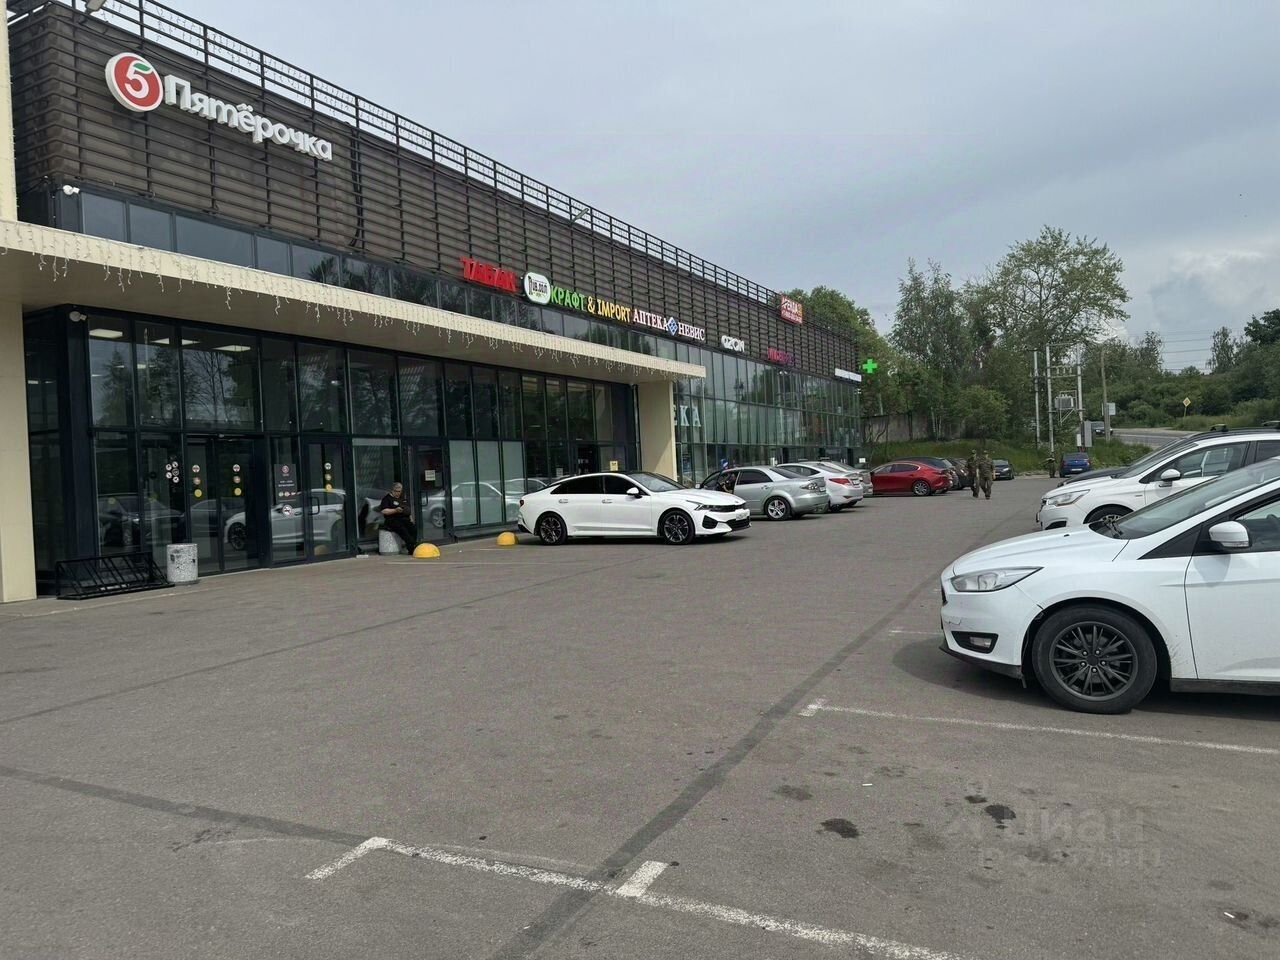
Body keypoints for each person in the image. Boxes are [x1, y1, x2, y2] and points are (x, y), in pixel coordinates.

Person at [379, 482, 418, 550]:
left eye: (400, 491)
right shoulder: (387, 499)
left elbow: (407, 509)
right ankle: (412, 546)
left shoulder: (402, 498)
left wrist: (410, 518)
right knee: (403, 531)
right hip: (392, 520)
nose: (398, 493)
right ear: (392, 490)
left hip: (404, 519)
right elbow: (384, 511)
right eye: (396, 491)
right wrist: (395, 510)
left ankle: (411, 547)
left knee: (413, 529)